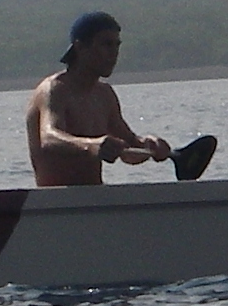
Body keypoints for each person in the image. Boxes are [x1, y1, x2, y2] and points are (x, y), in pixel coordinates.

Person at [27, 11, 216, 185]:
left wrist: (148, 144)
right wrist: (92, 145)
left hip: (95, 196)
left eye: (117, 45)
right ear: (80, 47)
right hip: (55, 200)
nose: (114, 53)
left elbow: (128, 150)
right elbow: (49, 138)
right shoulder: (54, 89)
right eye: (106, 45)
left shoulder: (104, 95)